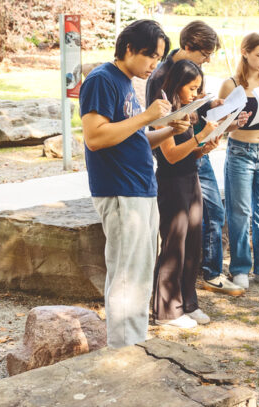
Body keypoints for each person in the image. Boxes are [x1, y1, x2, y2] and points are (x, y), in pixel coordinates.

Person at [80, 19, 186, 348]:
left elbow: (133, 138)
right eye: (151, 56)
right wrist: (147, 116)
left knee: (139, 277)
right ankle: (123, 354)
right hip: (121, 192)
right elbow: (95, 137)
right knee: (127, 278)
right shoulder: (101, 79)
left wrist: (170, 130)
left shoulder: (125, 82)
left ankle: (134, 345)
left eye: (159, 57)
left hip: (139, 189)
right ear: (129, 49)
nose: (155, 64)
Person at [144, 20, 247, 297]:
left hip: (195, 148)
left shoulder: (193, 69)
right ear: (188, 46)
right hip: (175, 157)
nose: (208, 60)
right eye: (204, 54)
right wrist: (196, 136)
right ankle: (194, 283)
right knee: (192, 224)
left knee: (209, 214)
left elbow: (190, 110)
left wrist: (211, 107)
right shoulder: (160, 76)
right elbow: (163, 120)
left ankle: (200, 279)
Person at [151, 60, 221, 329]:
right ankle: (166, 311)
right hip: (171, 183)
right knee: (174, 246)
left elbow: (192, 151)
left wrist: (207, 144)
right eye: (192, 88)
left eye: (199, 88)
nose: (196, 94)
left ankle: (188, 303)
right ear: (177, 85)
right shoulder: (164, 110)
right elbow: (169, 156)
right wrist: (199, 136)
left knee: (193, 244)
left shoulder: (188, 110)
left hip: (191, 177)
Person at [220, 33, 259, 288]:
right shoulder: (231, 84)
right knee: (239, 213)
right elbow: (220, 125)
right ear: (244, 52)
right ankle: (240, 269)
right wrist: (234, 122)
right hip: (240, 151)